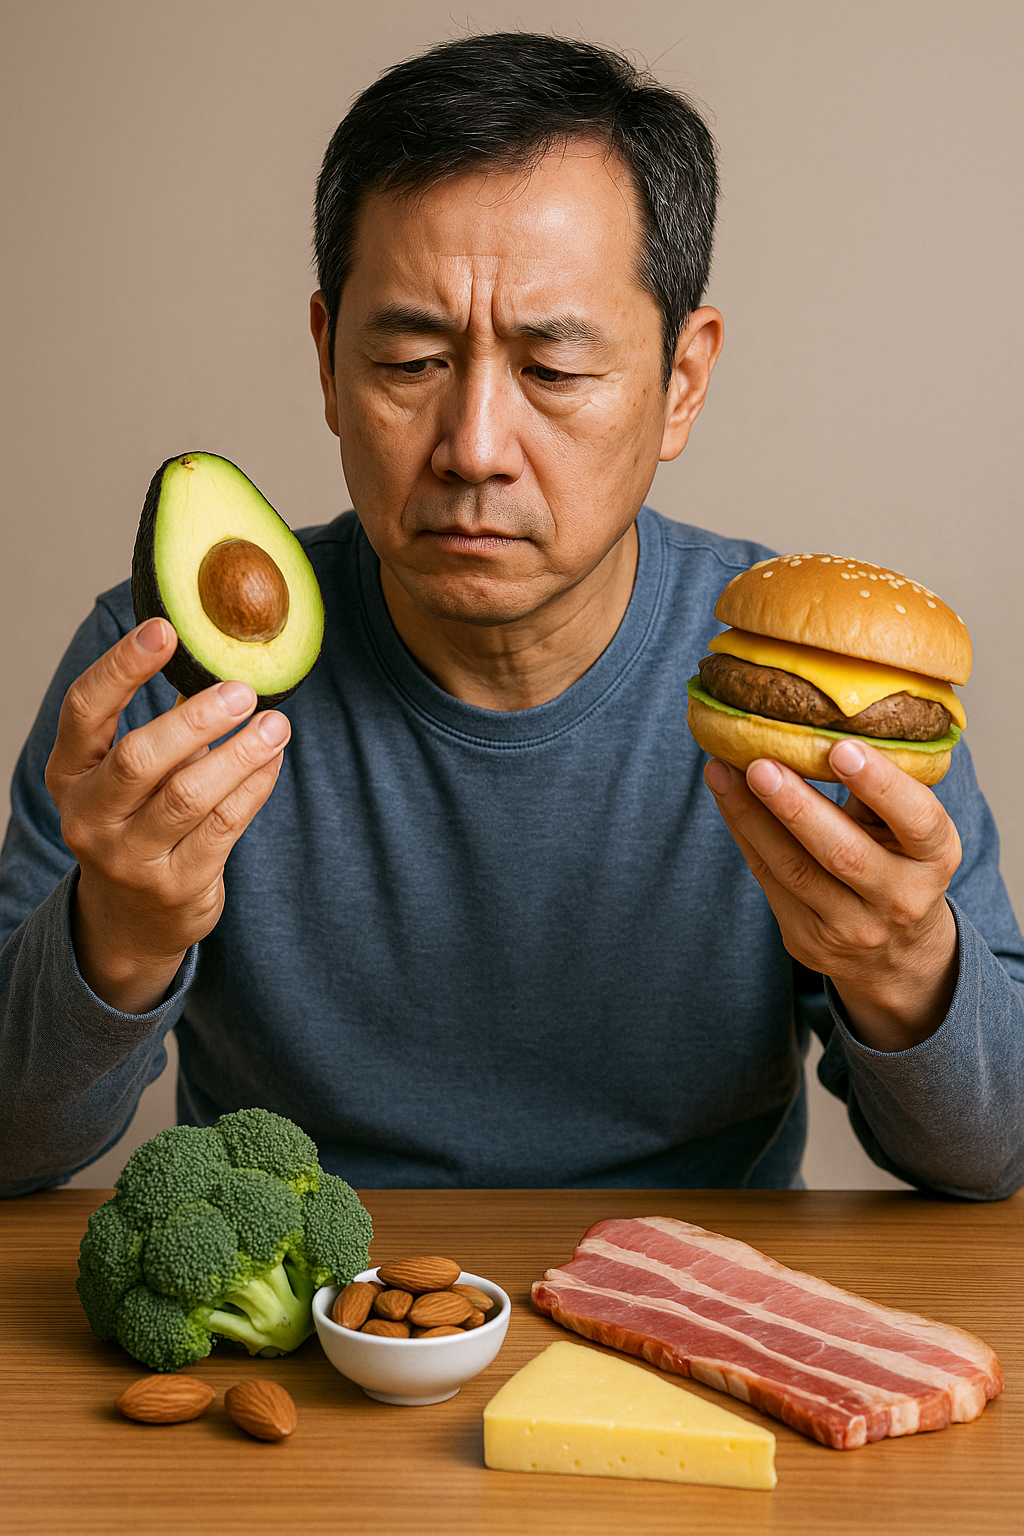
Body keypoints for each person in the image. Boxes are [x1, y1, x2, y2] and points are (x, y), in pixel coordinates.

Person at [1, 34, 1022, 1199]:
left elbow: (992, 1158)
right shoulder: (161, 671)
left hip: (689, 1291)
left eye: (554, 371)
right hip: (308, 1301)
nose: (474, 448)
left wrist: (906, 970)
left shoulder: (816, 688)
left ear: (682, 380)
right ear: (328, 360)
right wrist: (119, 935)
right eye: (412, 360)